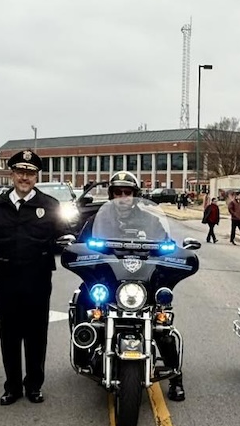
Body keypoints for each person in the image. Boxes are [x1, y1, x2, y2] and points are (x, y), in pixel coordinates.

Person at [0, 150, 66, 405]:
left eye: (30, 173)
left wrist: (74, 246)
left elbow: (62, 237)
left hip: (38, 278)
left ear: (36, 176)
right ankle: (13, 387)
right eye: (20, 172)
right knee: (9, 334)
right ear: (12, 174)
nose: (24, 178)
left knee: (36, 334)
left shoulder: (49, 205)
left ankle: (34, 385)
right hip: (7, 278)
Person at [75, 171, 187, 401]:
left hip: (142, 281)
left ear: (135, 195)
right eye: (118, 192)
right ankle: (83, 351)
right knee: (82, 300)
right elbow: (80, 246)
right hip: (108, 280)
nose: (123, 197)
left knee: (162, 323)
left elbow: (167, 245)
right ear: (111, 195)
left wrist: (173, 251)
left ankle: (176, 377)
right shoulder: (97, 219)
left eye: (128, 193)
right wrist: (80, 250)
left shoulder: (150, 220)